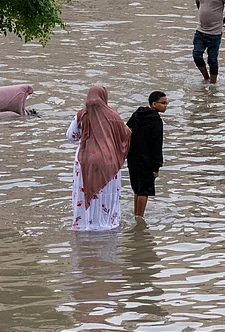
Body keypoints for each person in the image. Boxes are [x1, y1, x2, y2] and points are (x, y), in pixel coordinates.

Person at [67, 85, 131, 231]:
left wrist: (84, 137)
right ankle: (108, 223)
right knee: (107, 192)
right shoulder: (114, 116)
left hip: (84, 159)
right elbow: (124, 136)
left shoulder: (81, 115)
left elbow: (71, 136)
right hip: (109, 159)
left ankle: (84, 223)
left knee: (84, 189)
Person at [126, 91, 168, 219]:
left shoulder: (137, 114)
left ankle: (136, 214)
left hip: (132, 157)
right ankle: (140, 218)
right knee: (144, 191)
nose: (165, 106)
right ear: (154, 104)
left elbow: (127, 130)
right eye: (163, 103)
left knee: (137, 189)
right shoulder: (156, 121)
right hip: (147, 161)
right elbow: (156, 145)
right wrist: (157, 166)